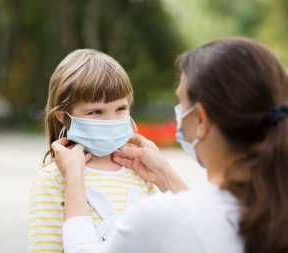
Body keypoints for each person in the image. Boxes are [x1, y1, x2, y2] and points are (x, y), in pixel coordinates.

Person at [52, 37, 288, 253]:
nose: (179, 114)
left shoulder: (157, 218)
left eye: (182, 104)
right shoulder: (273, 209)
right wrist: (164, 174)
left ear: (202, 120)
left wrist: (73, 179)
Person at [28, 49, 157, 253]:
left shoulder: (141, 173)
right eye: (96, 112)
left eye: (121, 109)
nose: (112, 120)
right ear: (63, 117)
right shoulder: (53, 180)